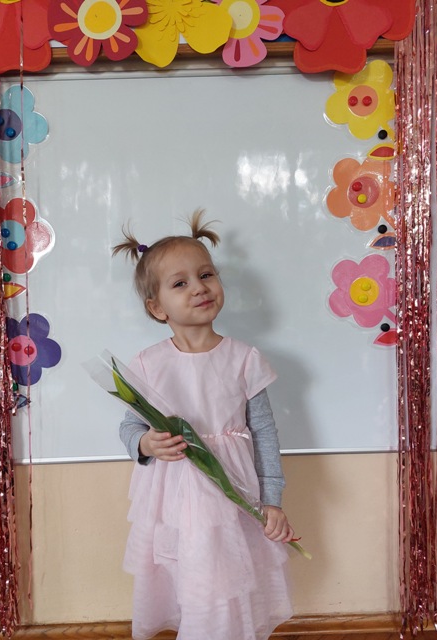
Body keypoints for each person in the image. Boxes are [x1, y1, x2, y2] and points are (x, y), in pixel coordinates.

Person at [113, 209, 294, 640]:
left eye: (206, 275)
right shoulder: (148, 364)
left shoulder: (244, 359)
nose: (199, 287)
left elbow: (265, 434)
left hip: (235, 495)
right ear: (156, 308)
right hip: (177, 501)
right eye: (180, 283)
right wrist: (146, 444)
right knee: (191, 581)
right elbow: (129, 427)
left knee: (230, 584)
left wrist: (271, 500)